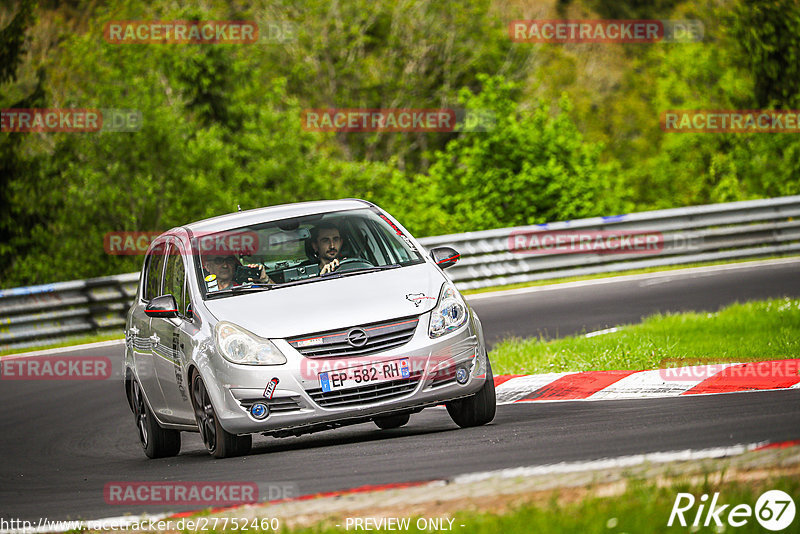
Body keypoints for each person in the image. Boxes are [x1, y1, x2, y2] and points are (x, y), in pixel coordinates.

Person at [202, 255, 271, 290]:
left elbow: (273, 297)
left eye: (229, 260)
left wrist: (265, 280)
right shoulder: (203, 290)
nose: (225, 265)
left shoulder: (246, 287)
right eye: (219, 261)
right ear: (208, 266)